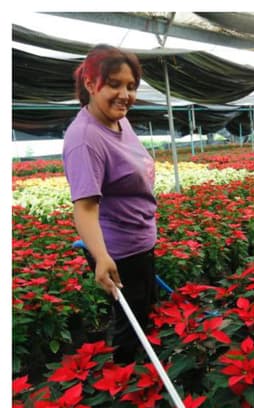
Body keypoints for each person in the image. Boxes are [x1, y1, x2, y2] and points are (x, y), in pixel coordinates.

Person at [63, 44, 157, 364]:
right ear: (90, 84)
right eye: (114, 84)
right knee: (129, 325)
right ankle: (123, 386)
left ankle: (140, 370)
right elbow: (85, 206)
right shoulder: (84, 139)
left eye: (131, 86)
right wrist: (101, 257)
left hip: (140, 241)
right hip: (119, 253)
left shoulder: (120, 121)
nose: (125, 94)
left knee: (143, 312)